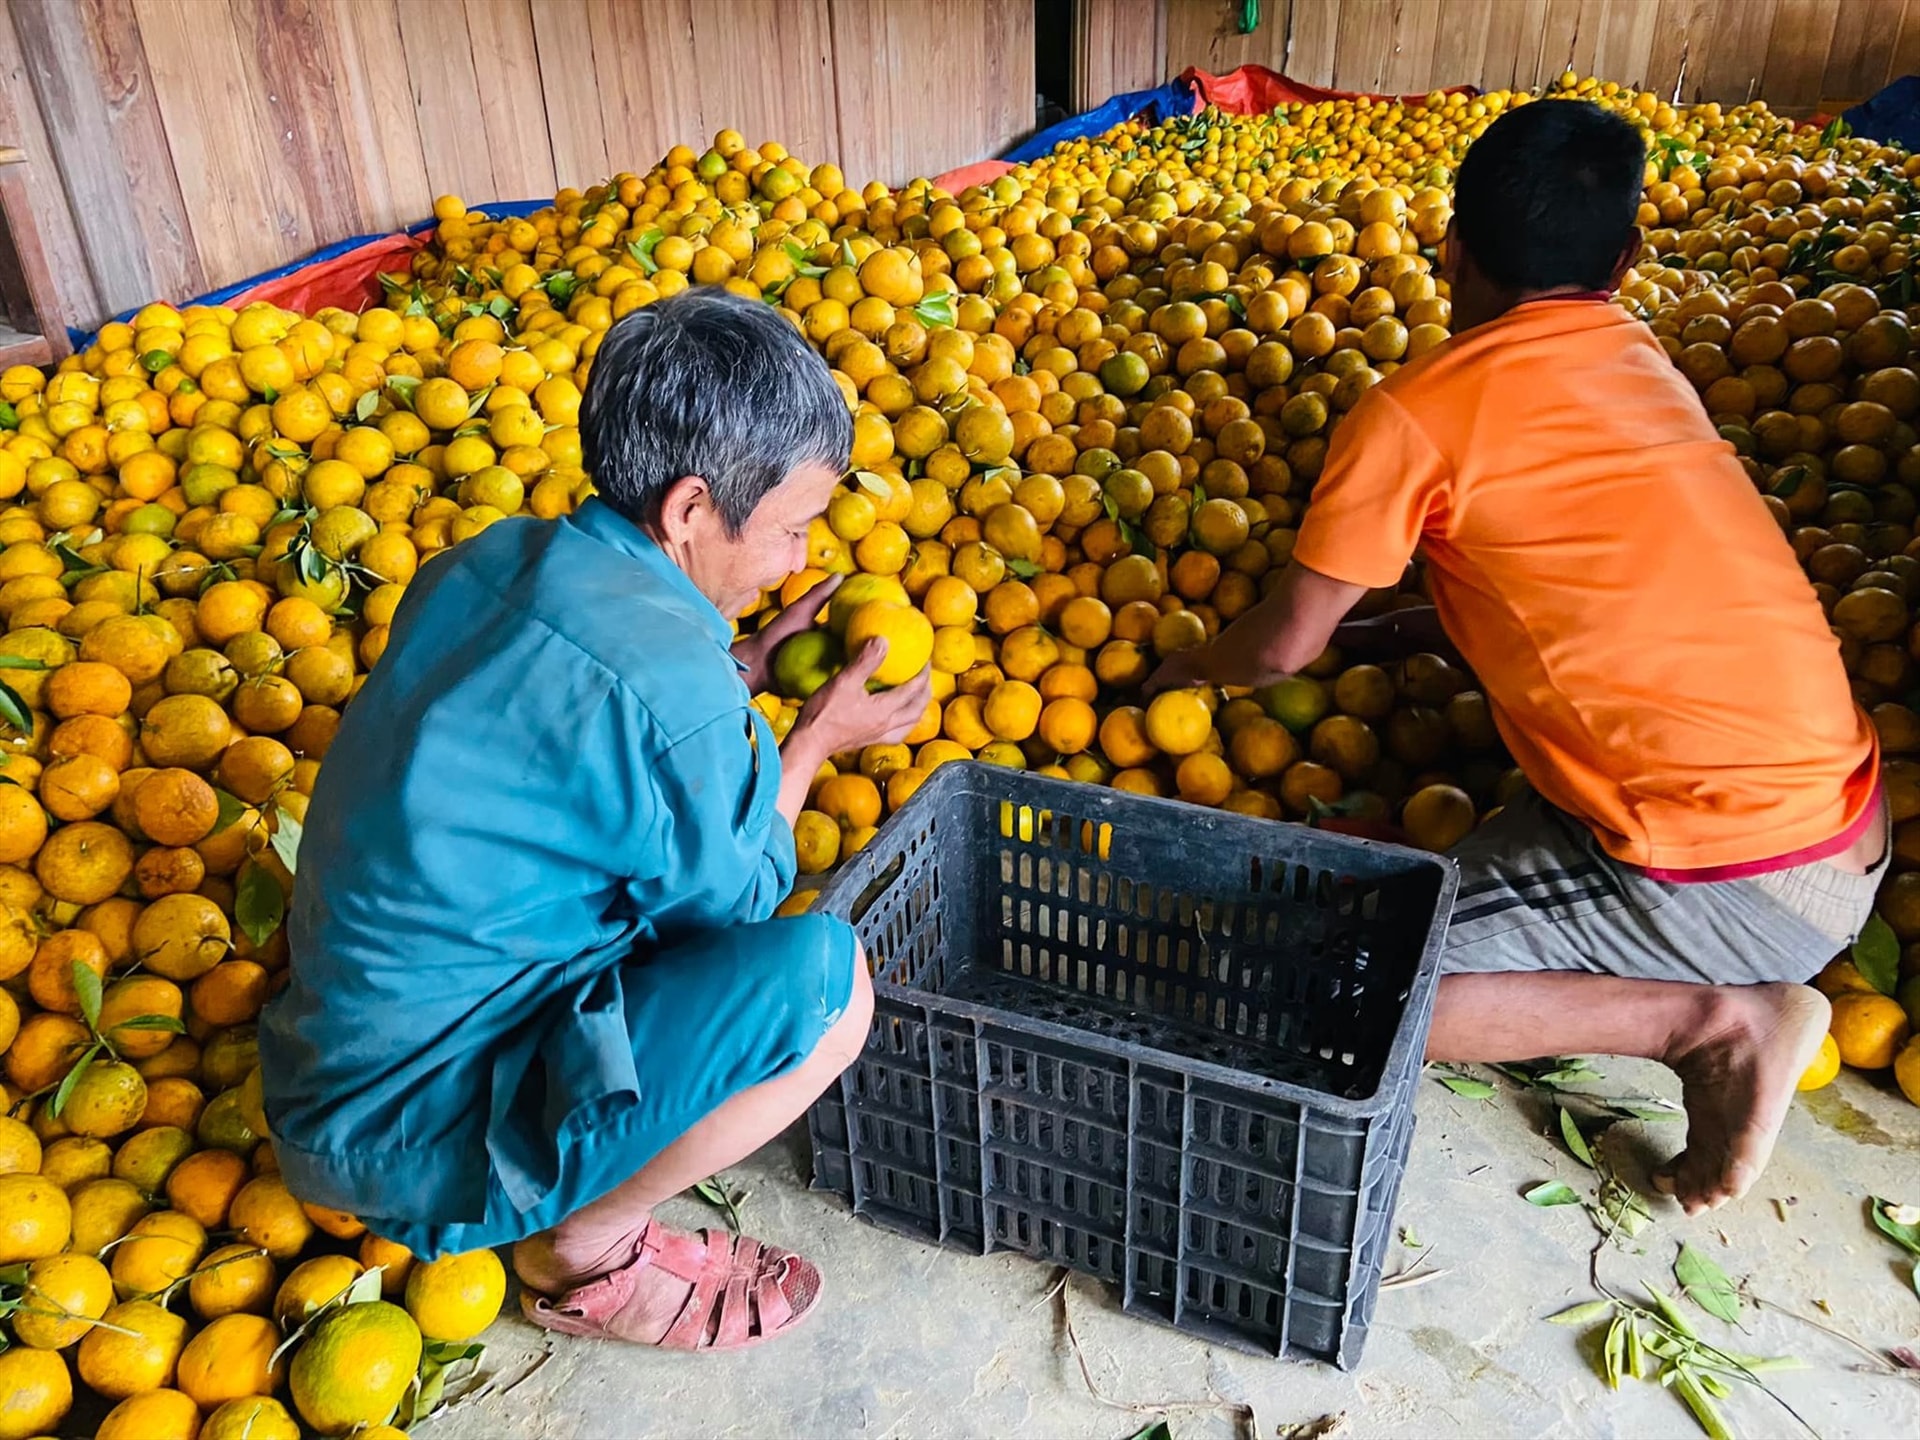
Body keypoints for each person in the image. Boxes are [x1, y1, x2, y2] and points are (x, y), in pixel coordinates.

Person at [1149, 99, 1885, 1216]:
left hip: (1729, 875)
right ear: (1629, 260)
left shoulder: (1415, 414)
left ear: (1449, 248)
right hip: (1832, 825)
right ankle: (1684, 977)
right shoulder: (1644, 360)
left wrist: (1184, 673)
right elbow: (1563, 576)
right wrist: (1394, 626)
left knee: (1318, 985)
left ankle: (1720, 1021)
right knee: (1414, 873)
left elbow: (1282, 647)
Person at [261, 290, 931, 1350]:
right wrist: (811, 740)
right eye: (794, 527)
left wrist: (735, 664)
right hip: (409, 1145)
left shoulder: (483, 559)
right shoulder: (677, 701)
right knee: (824, 988)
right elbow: (741, 898)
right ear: (691, 510)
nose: (802, 561)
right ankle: (584, 1253)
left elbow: (562, 709)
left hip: (329, 1064)